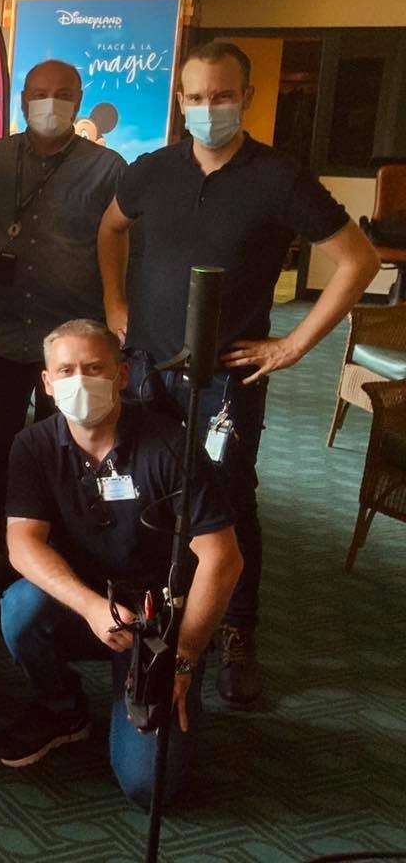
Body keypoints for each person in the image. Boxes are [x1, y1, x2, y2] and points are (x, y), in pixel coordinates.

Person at [97, 41, 379, 708]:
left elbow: (359, 261)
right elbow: (110, 230)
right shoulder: (152, 170)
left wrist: (295, 346)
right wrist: (114, 304)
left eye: (222, 95)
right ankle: (162, 604)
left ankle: (236, 628)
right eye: (196, 97)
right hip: (148, 367)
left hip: (228, 377)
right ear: (181, 101)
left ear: (245, 97)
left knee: (226, 501)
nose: (209, 107)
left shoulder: (279, 178)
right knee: (149, 489)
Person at [0, 320, 242, 809]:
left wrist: (184, 656)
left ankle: (148, 691)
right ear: (46, 382)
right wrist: (89, 607)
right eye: (66, 371)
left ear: (121, 375)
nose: (79, 381)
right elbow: (22, 544)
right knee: (19, 609)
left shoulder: (170, 443)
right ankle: (62, 708)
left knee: (149, 787)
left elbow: (223, 557)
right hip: (85, 605)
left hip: (159, 619)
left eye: (93, 368)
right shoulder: (33, 445)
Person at [0, 60, 125, 555]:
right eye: (38, 94)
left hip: (74, 338)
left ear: (78, 103)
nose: (49, 103)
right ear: (22, 101)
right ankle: (10, 552)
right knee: (1, 451)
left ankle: (72, 551)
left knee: (75, 449)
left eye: (62, 94)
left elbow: (126, 249)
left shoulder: (108, 169)